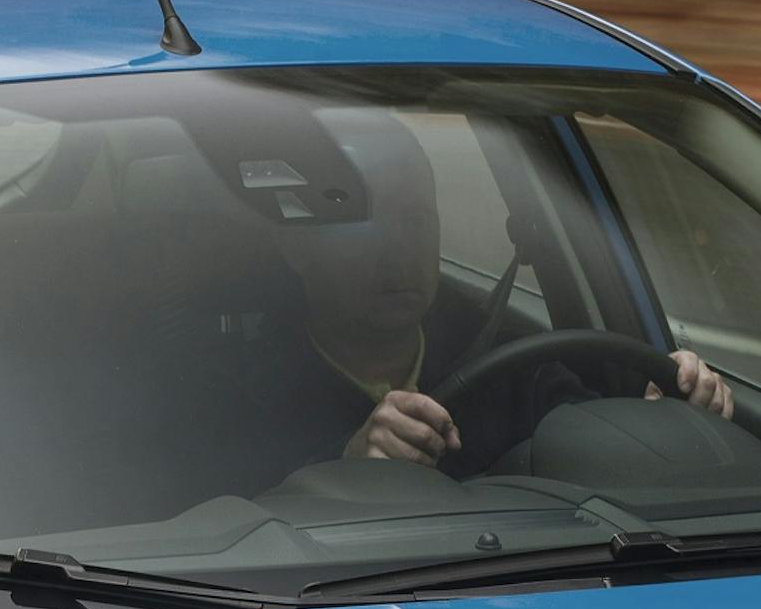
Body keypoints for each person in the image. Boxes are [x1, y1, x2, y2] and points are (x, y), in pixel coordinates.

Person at [241, 109, 734, 477]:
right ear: (295, 248)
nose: (398, 251)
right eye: (362, 227)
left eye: (416, 219)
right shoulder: (238, 387)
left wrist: (660, 419)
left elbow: (590, 443)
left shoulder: (507, 360)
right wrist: (344, 465)